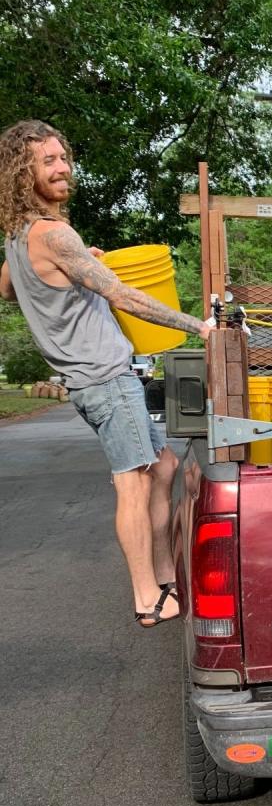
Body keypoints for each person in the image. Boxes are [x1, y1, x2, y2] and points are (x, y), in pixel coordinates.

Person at [0, 119, 211, 628]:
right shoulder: (54, 233)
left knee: (163, 469)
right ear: (19, 172)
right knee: (134, 485)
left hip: (87, 382)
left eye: (62, 157)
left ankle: (164, 574)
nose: (62, 167)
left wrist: (78, 267)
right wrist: (197, 326)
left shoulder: (20, 236)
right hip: (106, 380)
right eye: (47, 161)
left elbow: (9, 288)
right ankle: (148, 597)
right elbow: (124, 296)